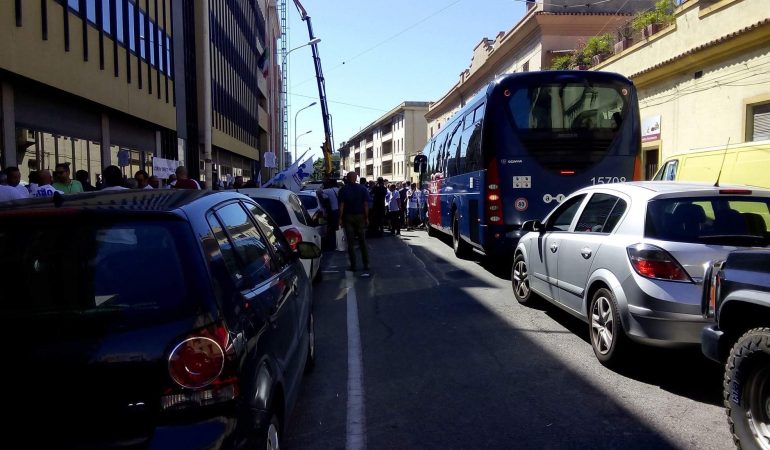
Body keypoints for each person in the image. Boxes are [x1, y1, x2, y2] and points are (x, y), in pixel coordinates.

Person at [338, 172, 370, 275]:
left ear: (347, 178)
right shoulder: (363, 189)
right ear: (356, 178)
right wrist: (367, 217)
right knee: (362, 241)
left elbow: (341, 205)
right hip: (360, 216)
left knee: (350, 243)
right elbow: (366, 205)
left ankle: (353, 265)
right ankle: (366, 264)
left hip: (348, 217)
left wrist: (340, 218)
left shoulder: (343, 190)